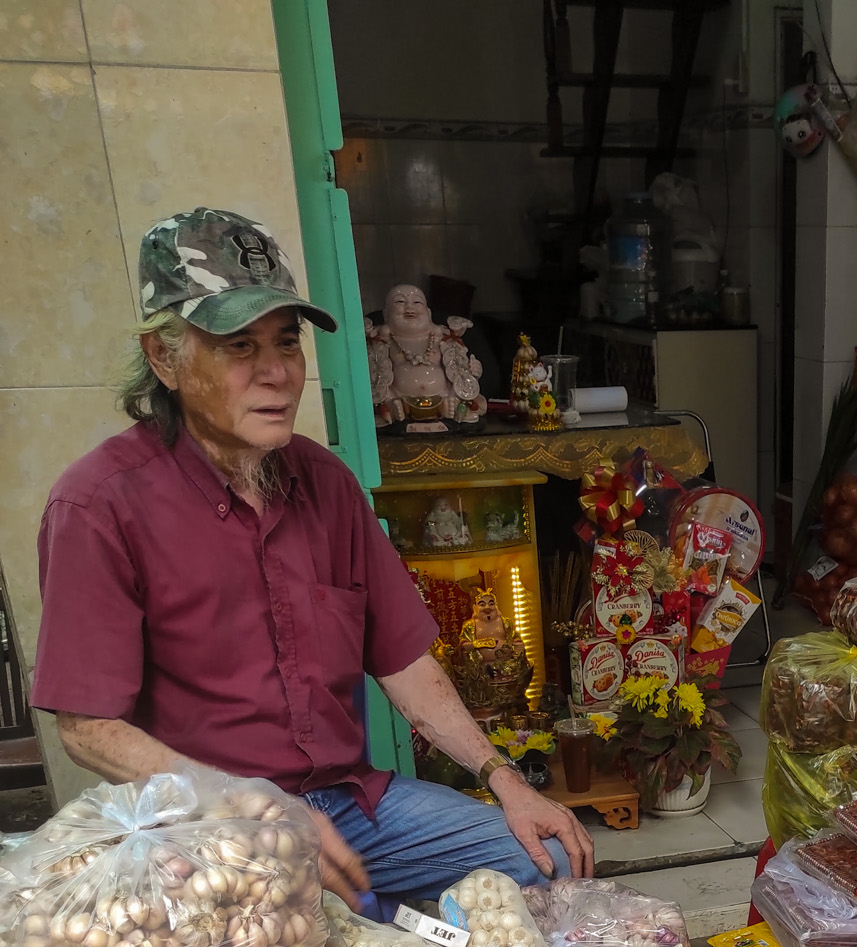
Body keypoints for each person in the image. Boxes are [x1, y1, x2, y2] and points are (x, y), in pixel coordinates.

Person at [28, 207, 593, 908]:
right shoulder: (98, 505)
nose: (276, 374)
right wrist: (253, 809)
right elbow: (88, 729)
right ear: (164, 358)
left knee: (545, 863)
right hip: (208, 832)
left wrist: (503, 778)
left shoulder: (326, 483)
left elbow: (404, 662)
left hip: (352, 807)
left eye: (285, 343)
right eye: (238, 346)